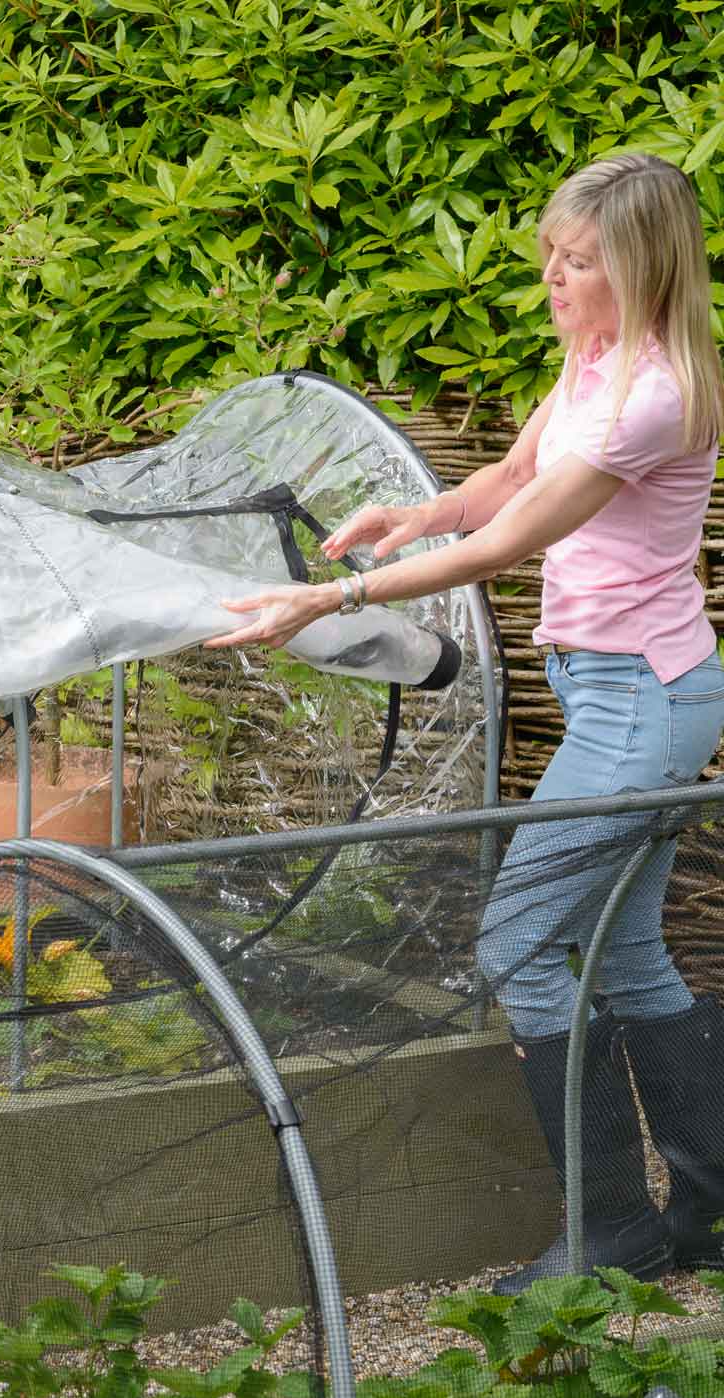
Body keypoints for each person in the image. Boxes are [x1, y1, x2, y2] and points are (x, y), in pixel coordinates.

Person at [206, 152, 724, 1290]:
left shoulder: (656, 393)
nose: (550, 276)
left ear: (636, 266)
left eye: (576, 261)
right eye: (548, 252)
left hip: (641, 699)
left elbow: (509, 544)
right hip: (625, 689)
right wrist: (416, 512)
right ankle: (705, 1214)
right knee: (627, 949)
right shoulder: (595, 358)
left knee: (520, 943)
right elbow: (504, 482)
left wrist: (327, 598)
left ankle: (613, 1230)